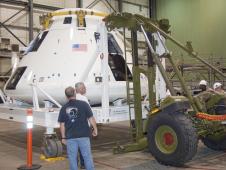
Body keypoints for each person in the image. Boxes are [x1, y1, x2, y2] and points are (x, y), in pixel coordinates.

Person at [58, 86, 97, 170]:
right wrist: (95, 129)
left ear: (66, 96)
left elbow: (62, 124)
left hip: (71, 137)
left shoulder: (64, 108)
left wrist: (63, 137)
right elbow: (91, 118)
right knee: (87, 157)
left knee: (72, 159)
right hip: (84, 135)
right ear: (75, 93)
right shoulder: (84, 104)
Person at [75, 82, 89, 169]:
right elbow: (89, 113)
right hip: (83, 127)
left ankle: (75, 165)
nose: (85, 89)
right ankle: (83, 164)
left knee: (74, 148)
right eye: (84, 88)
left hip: (73, 128)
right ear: (79, 89)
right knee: (84, 147)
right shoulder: (83, 98)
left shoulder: (71, 99)